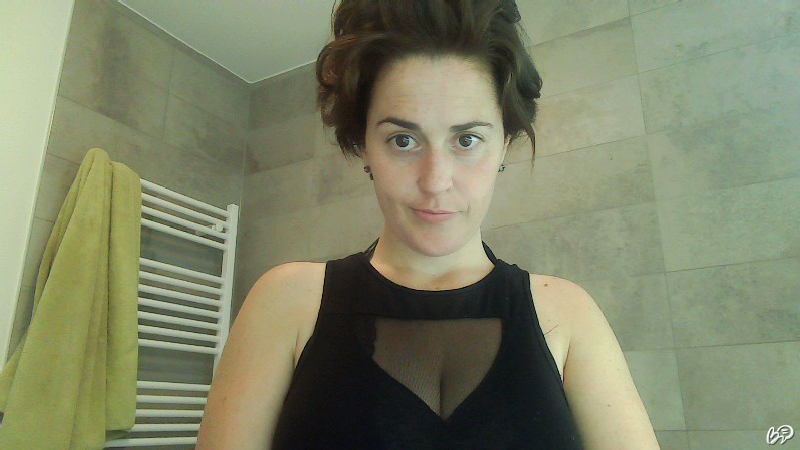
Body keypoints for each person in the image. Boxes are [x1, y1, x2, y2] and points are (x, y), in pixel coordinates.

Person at [197, 1, 661, 449]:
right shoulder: (285, 303)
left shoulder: (568, 314)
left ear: (504, 145)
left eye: (467, 139)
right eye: (403, 140)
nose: (436, 180)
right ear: (365, 148)